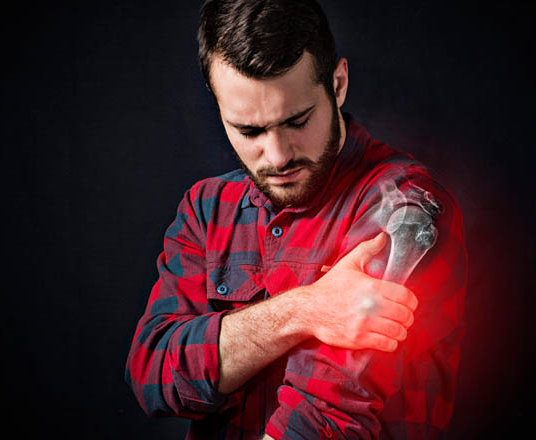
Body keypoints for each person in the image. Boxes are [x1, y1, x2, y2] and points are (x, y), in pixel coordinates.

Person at [125, 1, 468, 438]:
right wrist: (303, 311)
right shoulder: (207, 207)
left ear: (337, 84)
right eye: (249, 131)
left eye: (297, 120)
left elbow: (330, 416)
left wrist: (233, 340)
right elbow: (154, 374)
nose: (278, 154)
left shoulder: (404, 207)